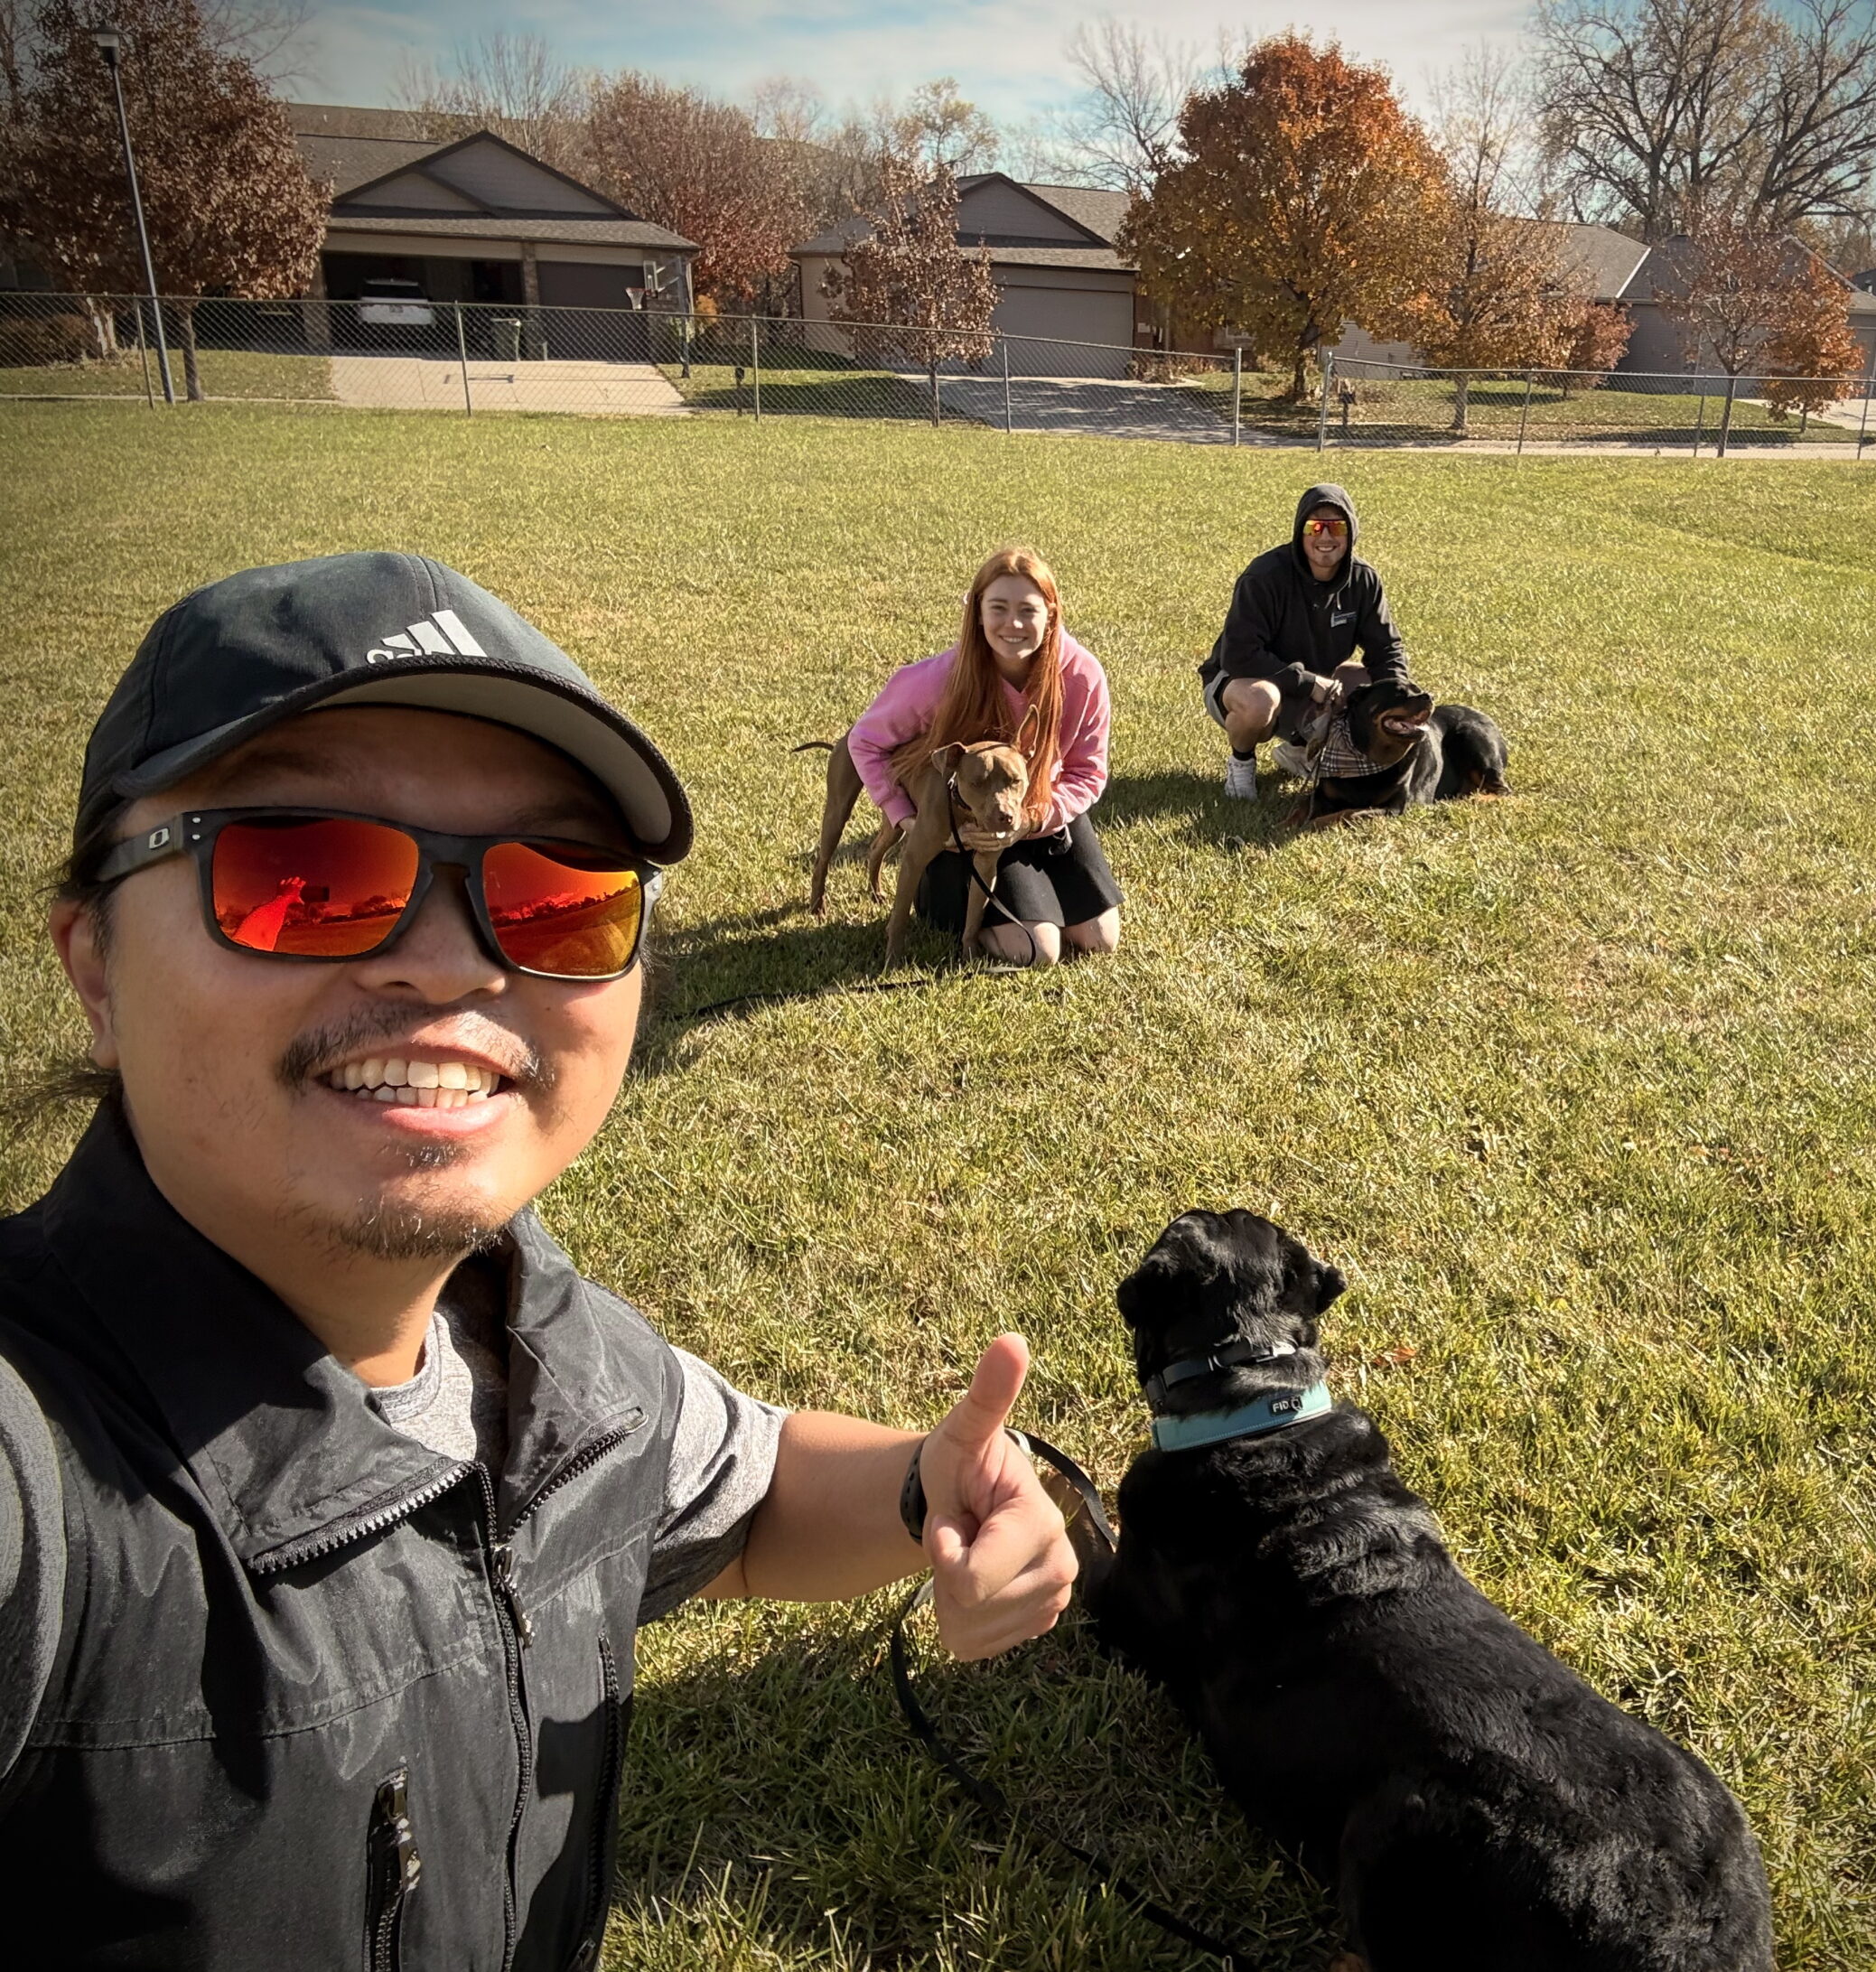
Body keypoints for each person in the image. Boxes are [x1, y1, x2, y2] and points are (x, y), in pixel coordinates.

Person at [0, 553, 1078, 1967]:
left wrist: (933, 1483)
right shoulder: (45, 1474)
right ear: (93, 964)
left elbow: (735, 1502)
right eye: (301, 872)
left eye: (558, 890)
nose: (450, 964)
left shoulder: (538, 1338)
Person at [848, 546, 1121, 968]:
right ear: (976, 612)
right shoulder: (939, 678)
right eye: (998, 608)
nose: (1012, 624)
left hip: (1040, 812)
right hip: (964, 828)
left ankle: (1038, 894)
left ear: (1051, 614)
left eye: (1028, 610)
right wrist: (904, 816)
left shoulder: (1081, 674)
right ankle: (941, 897)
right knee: (1036, 949)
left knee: (1099, 938)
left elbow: (1088, 772)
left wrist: (1034, 820)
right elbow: (864, 740)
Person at [1198, 482, 1415, 799]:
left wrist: (1397, 697)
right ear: (1301, 531)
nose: (1325, 537)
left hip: (1316, 687)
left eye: (1336, 527)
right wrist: (1307, 681)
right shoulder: (1265, 576)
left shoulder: (1363, 579)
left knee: (1370, 685)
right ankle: (1241, 765)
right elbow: (1239, 655)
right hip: (1243, 682)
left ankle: (1300, 751)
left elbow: (1387, 649)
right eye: (1315, 526)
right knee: (1262, 701)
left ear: (1351, 531)